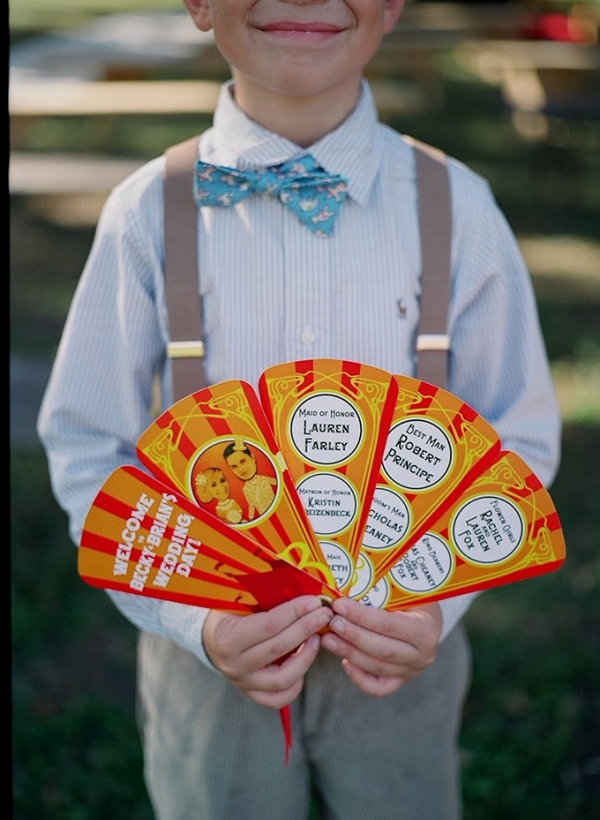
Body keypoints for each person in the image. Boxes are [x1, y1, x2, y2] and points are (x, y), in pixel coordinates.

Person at [37, 0, 561, 818]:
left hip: (402, 652)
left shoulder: (459, 209)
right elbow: (86, 442)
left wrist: (437, 600)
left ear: (392, 5)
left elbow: (517, 433)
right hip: (207, 660)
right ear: (199, 5)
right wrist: (192, 622)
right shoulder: (147, 214)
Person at [223, 439, 277, 519]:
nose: (240, 469)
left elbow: (281, 484)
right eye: (234, 466)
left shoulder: (264, 479)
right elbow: (251, 505)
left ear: (252, 457)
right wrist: (250, 518)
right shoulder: (246, 489)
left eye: (243, 461)